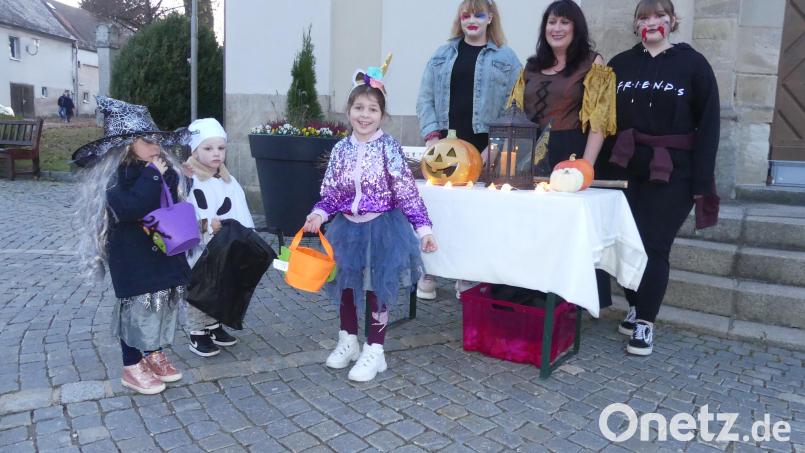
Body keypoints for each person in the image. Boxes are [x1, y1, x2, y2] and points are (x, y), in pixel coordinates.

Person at [304, 57, 438, 382]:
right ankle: (348, 339)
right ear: (349, 110)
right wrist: (319, 213)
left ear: (382, 115)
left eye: (373, 109)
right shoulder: (340, 150)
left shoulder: (388, 147)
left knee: (380, 285)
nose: (365, 115)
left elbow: (406, 191)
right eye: (359, 108)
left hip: (384, 226)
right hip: (348, 228)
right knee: (346, 283)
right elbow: (332, 191)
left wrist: (424, 229)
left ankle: (375, 349)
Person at [603, 0, 720, 355]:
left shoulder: (694, 65)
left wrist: (702, 182)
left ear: (672, 21)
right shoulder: (619, 64)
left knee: (654, 245)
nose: (651, 22)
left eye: (659, 16)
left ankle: (645, 322)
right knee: (625, 242)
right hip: (624, 168)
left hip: (674, 173)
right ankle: (636, 303)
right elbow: (603, 121)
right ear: (636, 24)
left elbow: (709, 125)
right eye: (644, 17)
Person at [73, 96, 193, 394]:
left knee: (160, 304)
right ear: (127, 144)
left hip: (163, 251)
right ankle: (132, 364)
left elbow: (177, 194)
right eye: (147, 140)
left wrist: (171, 173)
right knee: (136, 309)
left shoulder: (155, 165)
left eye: (156, 140)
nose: (156, 146)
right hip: (133, 258)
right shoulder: (114, 176)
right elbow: (128, 208)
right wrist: (154, 174)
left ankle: (153, 352)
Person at [416, 0, 521, 300]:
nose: (471, 20)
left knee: (475, 215)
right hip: (445, 148)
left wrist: (495, 147)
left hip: (485, 146)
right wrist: (432, 138)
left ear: (491, 18)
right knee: (439, 211)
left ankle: (466, 273)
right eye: (466, 14)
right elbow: (424, 97)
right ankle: (431, 269)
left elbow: (514, 105)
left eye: (479, 14)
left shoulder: (506, 57)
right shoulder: (443, 53)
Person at [522, 0, 617, 309]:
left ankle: (572, 298)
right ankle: (536, 293)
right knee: (536, 228)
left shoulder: (593, 63)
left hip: (570, 153)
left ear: (576, 27)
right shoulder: (533, 65)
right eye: (551, 22)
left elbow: (599, 121)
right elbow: (515, 114)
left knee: (570, 230)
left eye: (564, 22)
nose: (557, 28)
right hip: (532, 154)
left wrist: (585, 167)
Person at [183, 118, 255, 357]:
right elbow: (179, 217)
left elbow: (239, 210)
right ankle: (196, 330)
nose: (216, 154)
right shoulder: (187, 180)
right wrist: (203, 226)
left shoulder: (228, 180)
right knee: (200, 288)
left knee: (220, 285)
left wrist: (247, 238)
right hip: (199, 247)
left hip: (223, 246)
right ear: (194, 150)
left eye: (221, 148)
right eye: (208, 148)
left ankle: (213, 324)